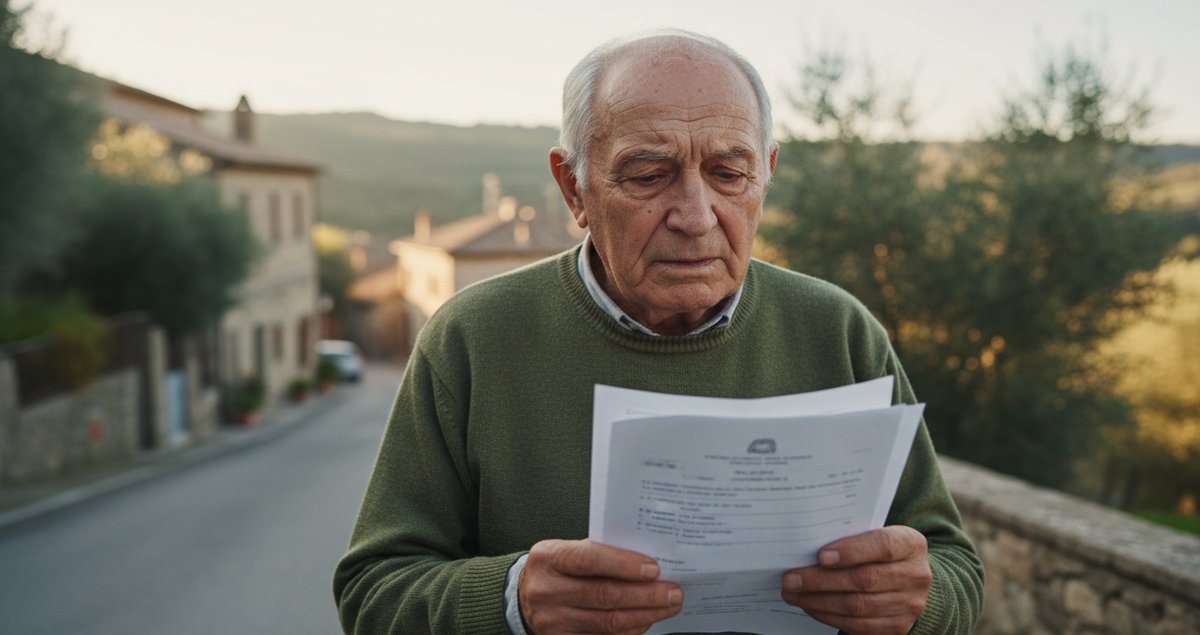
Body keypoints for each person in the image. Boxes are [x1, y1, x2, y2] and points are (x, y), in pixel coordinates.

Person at [334, 30, 983, 635]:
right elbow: (372, 591)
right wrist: (513, 599)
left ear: (767, 173)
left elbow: (956, 567)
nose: (697, 216)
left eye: (730, 174)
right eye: (648, 175)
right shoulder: (472, 339)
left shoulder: (838, 331)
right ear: (574, 187)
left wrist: (916, 601)